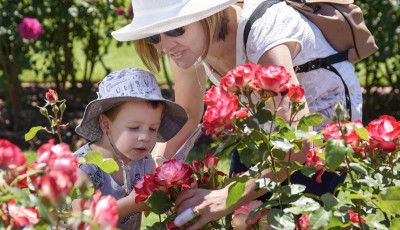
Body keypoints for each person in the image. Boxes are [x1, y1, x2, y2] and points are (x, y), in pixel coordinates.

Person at [111, 0, 363, 229]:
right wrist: (156, 164)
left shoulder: (264, 30)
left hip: (322, 126)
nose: (165, 46)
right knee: (242, 219)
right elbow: (189, 112)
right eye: (154, 36)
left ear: (207, 14)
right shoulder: (189, 46)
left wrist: (226, 195)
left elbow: (298, 142)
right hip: (259, 121)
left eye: (176, 29)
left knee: (292, 220)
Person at [72, 68, 188, 229]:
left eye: (153, 129)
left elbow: (168, 205)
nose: (145, 137)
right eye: (134, 128)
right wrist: (130, 204)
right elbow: (83, 221)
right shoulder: (83, 167)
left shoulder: (146, 164)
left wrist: (177, 196)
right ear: (106, 124)